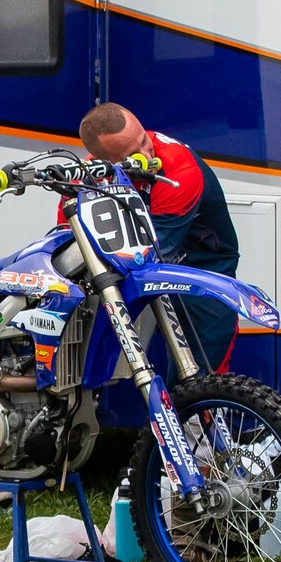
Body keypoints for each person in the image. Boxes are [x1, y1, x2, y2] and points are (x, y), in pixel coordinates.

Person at [75, 102, 241, 369]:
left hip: (203, 270)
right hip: (134, 265)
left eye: (144, 140)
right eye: (134, 153)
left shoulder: (179, 172)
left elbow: (155, 253)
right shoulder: (88, 174)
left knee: (202, 380)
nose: (147, 152)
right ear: (107, 161)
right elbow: (71, 238)